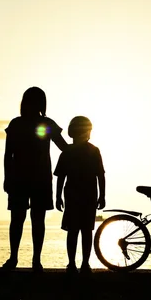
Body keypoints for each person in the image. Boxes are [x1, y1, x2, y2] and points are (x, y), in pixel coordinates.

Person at [3, 87, 68, 272]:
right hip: (30, 178)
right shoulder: (23, 124)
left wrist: (7, 177)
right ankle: (27, 260)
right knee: (28, 219)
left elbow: (8, 155)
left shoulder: (21, 124)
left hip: (28, 178)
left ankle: (26, 259)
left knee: (22, 219)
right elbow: (64, 147)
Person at [54, 116, 105, 274]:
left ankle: (74, 264)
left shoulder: (67, 152)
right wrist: (102, 195)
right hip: (85, 195)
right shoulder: (93, 151)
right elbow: (100, 176)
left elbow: (61, 177)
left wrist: (58, 196)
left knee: (74, 231)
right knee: (85, 231)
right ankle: (83, 264)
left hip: (74, 195)